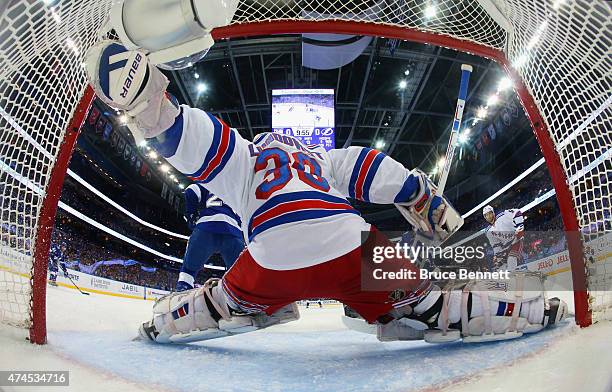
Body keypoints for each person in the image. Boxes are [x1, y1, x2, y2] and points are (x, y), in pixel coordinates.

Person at [84, 41, 567, 345]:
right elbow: (375, 168)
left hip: (274, 259)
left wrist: (148, 101)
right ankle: (535, 310)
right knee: (434, 303)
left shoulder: (247, 156)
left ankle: (167, 323)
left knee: (218, 303)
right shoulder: (323, 160)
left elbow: (188, 138)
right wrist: (423, 197)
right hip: (353, 246)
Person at [176, 183, 245, 291]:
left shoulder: (210, 182)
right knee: (239, 280)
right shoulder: (240, 188)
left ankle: (182, 291)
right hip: (234, 232)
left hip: (207, 226)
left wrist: (191, 215)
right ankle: (238, 301)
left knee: (188, 271)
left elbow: (191, 190)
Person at [483, 205, 525, 271]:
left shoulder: (502, 216)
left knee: (511, 261)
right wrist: (498, 256)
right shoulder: (488, 231)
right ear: (484, 217)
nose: (488, 216)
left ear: (493, 213)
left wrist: (520, 227)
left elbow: (517, 212)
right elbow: (495, 245)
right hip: (505, 249)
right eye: (486, 215)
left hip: (516, 241)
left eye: (489, 213)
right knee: (500, 269)